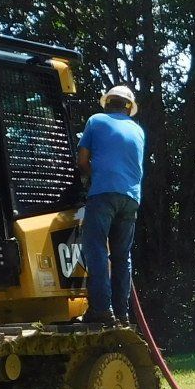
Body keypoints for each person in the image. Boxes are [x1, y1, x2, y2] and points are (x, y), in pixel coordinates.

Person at [76, 84, 145, 325]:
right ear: (128, 107)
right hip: (131, 198)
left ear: (107, 103)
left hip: (103, 194)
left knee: (96, 250)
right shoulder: (138, 130)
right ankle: (122, 313)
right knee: (122, 256)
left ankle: (102, 309)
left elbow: (82, 160)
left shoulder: (96, 121)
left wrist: (91, 178)